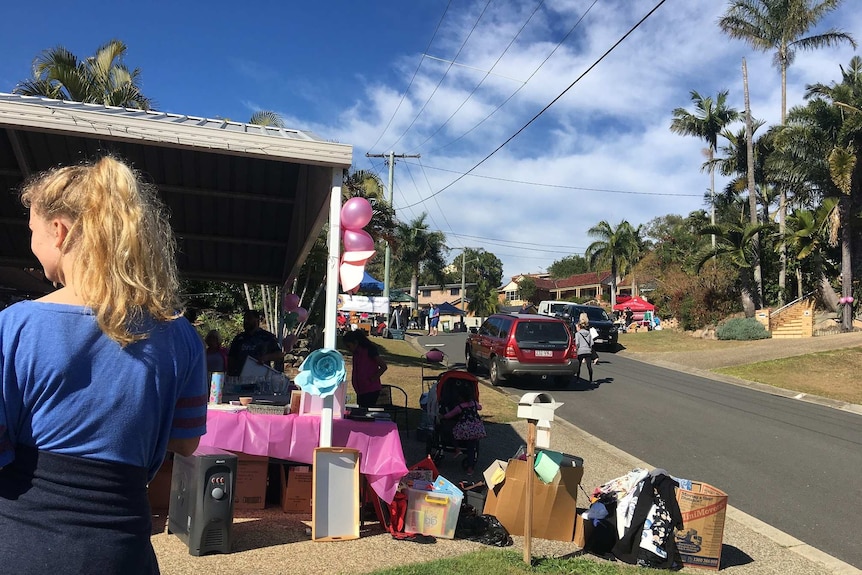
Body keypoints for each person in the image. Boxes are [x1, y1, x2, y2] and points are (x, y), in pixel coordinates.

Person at [0, 155, 208, 574]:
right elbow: (185, 444)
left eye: (33, 233)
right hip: (124, 550)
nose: (33, 246)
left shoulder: (15, 326)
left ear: (58, 232)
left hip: (22, 545)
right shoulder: (181, 336)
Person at [441, 385, 485, 476]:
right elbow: (480, 407)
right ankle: (470, 468)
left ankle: (457, 448)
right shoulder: (474, 403)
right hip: (475, 428)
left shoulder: (460, 407)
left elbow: (450, 415)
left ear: (460, 397)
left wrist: (443, 416)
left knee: (453, 432)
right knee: (471, 448)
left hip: (464, 428)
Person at [227, 309, 284, 376]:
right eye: (245, 319)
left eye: (249, 318)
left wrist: (265, 357)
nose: (246, 321)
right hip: (241, 377)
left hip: (260, 377)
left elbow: (279, 354)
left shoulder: (267, 337)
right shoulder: (239, 338)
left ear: (257, 320)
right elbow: (231, 358)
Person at [342, 330, 388, 407]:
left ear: (356, 343)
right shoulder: (356, 353)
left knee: (365, 413)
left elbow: (383, 366)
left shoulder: (369, 350)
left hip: (371, 390)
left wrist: (372, 379)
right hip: (360, 390)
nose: (348, 349)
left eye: (349, 346)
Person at [574, 315, 594, 384]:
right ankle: (590, 379)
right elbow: (591, 343)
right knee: (589, 366)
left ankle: (577, 379)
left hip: (580, 351)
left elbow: (577, 343)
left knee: (579, 366)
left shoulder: (577, 334)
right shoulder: (589, 333)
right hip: (588, 351)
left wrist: (576, 350)